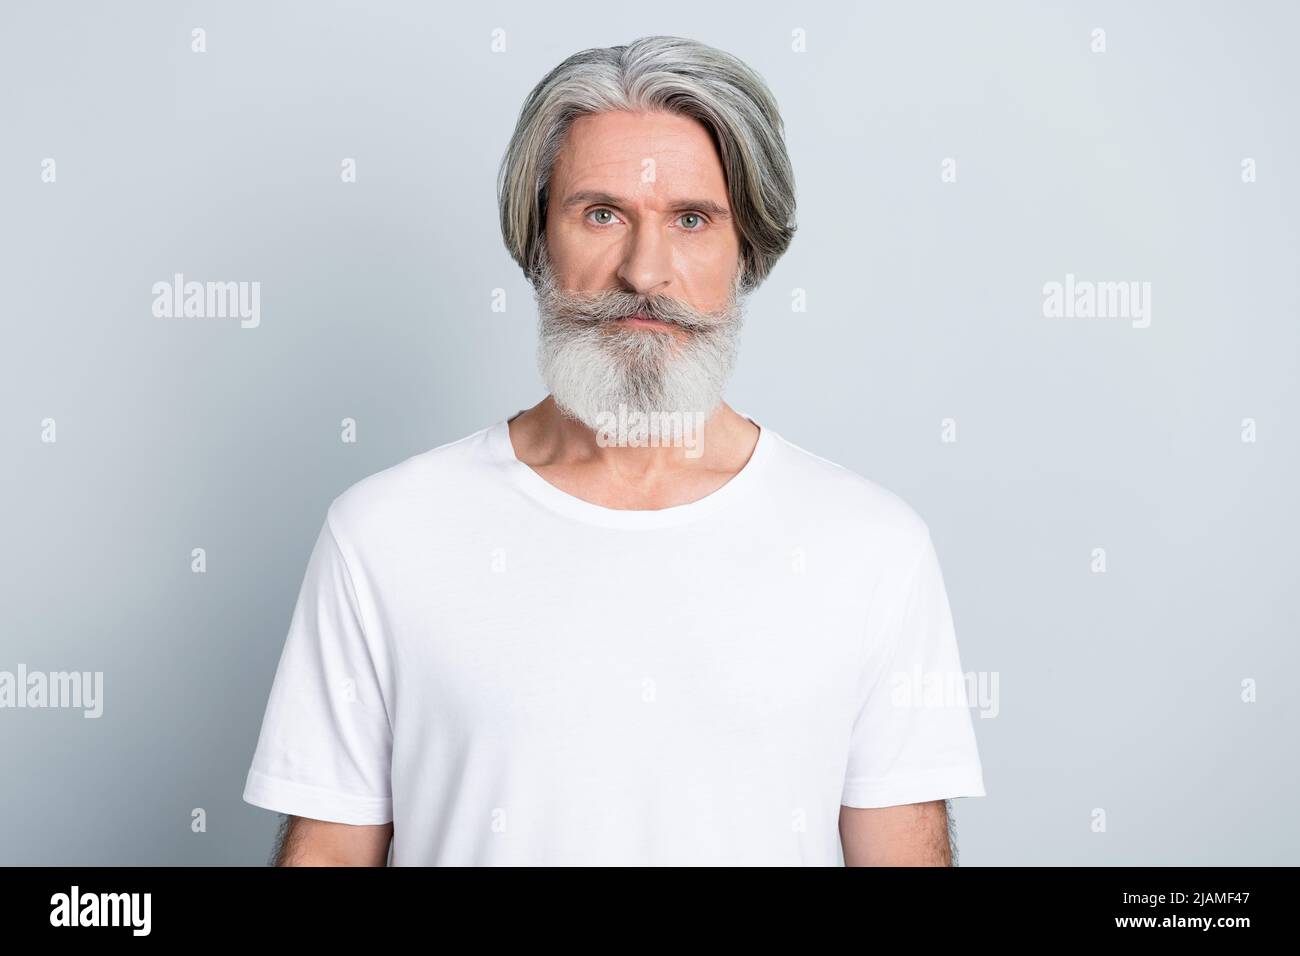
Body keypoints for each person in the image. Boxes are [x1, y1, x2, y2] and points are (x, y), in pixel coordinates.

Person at [242, 34, 985, 866]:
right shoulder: (383, 534)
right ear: (537, 238)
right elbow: (330, 856)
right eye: (601, 214)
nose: (645, 270)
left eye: (693, 219)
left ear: (748, 251)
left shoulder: (870, 547)